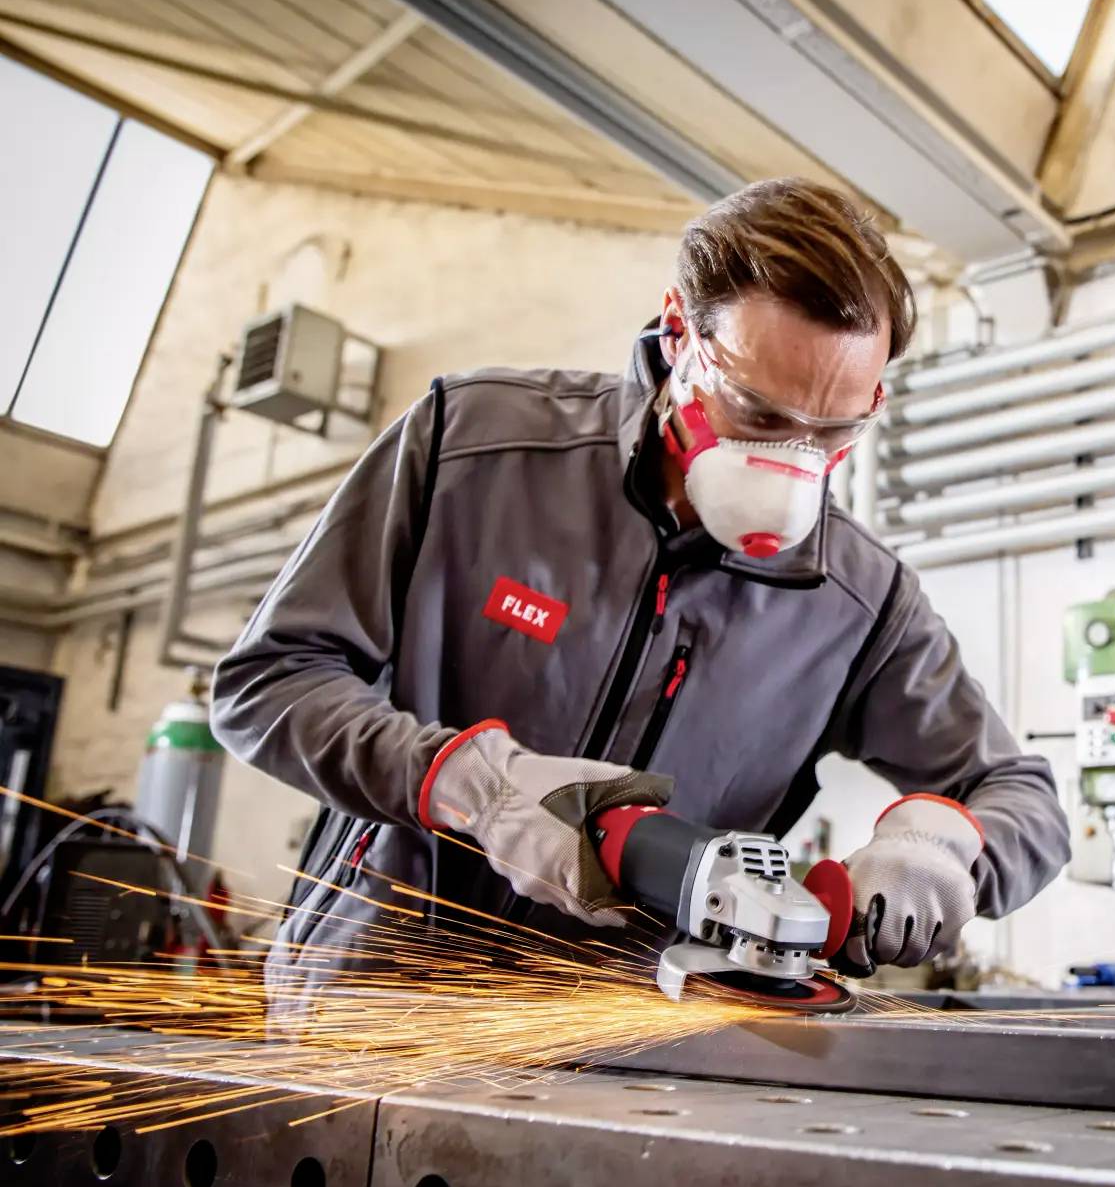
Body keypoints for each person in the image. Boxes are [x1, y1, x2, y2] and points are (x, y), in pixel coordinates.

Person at [210, 178, 1068, 1008]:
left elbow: (1023, 798)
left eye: (834, 431)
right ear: (680, 334)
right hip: (371, 1005)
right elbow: (267, 684)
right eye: (760, 416)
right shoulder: (472, 445)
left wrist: (943, 844)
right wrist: (472, 785)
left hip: (629, 1047)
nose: (795, 459)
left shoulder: (858, 601)